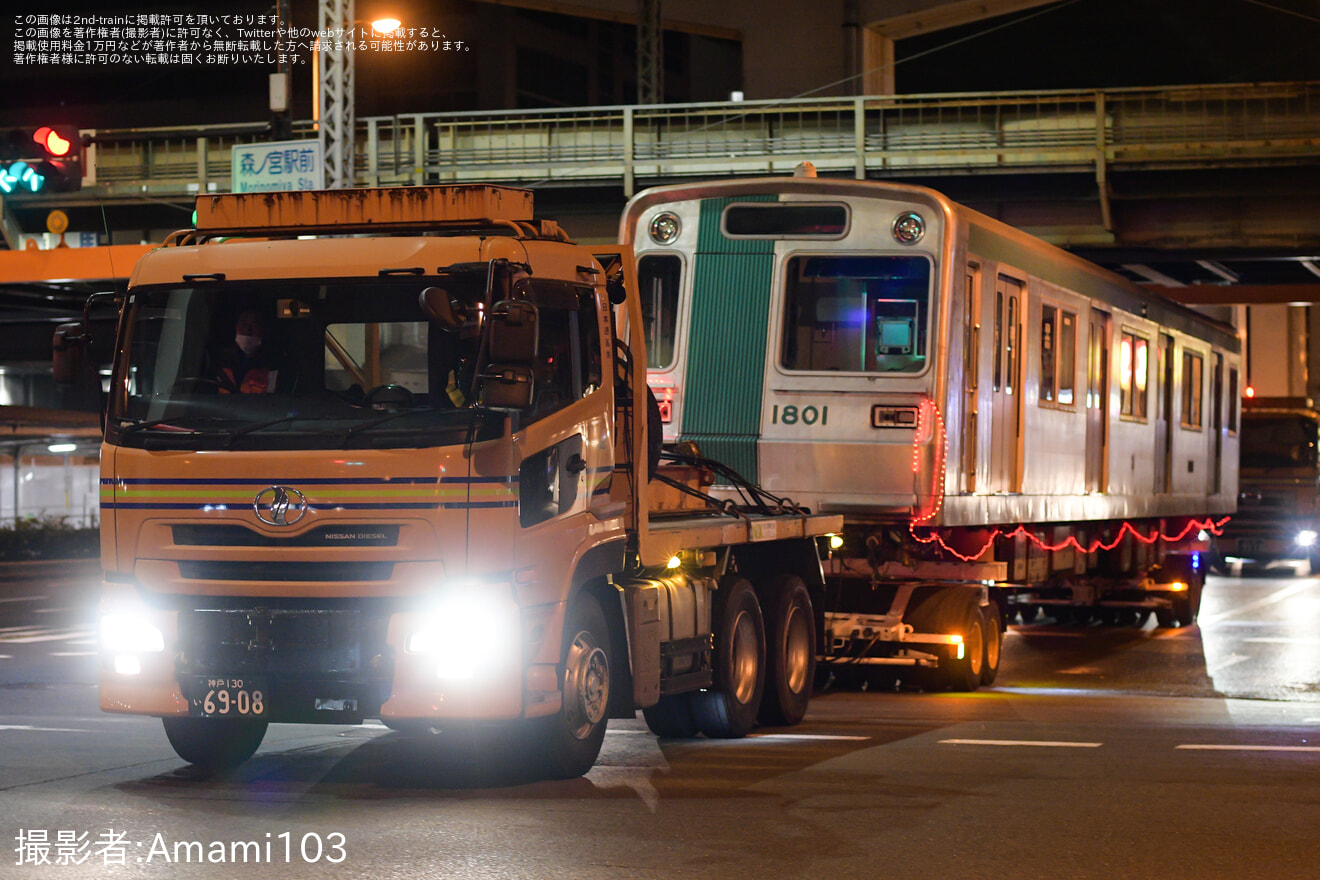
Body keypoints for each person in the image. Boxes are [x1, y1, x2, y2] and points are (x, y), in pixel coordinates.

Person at [210, 309, 280, 393]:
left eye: (254, 325)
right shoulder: (219, 360)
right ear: (236, 327)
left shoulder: (274, 364)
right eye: (243, 324)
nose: (247, 330)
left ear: (263, 329)